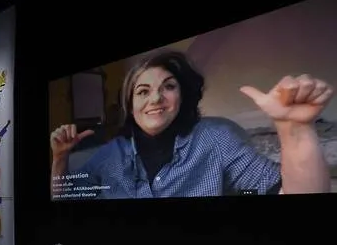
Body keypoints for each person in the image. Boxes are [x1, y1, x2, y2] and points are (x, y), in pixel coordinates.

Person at [50, 51, 333, 199]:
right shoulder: (109, 154)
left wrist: (295, 129)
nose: (156, 98)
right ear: (130, 104)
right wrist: (60, 158)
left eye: (168, 86)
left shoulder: (217, 136)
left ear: (182, 95)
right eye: (143, 91)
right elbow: (62, 198)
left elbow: (295, 194)